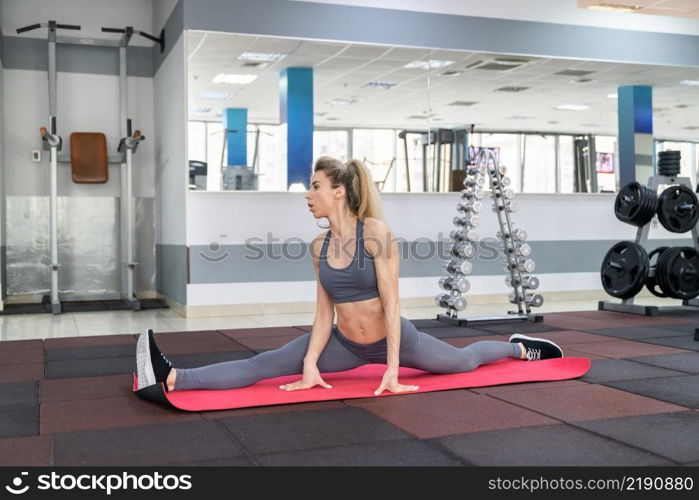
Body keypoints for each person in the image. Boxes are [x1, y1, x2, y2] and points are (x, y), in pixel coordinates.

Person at [136, 156, 563, 396]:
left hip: (397, 339)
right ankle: (172, 376)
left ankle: (517, 350)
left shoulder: (376, 234)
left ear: (338, 191)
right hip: (345, 345)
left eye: (316, 186)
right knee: (263, 364)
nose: (308, 194)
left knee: (462, 362)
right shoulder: (318, 247)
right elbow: (324, 314)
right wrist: (308, 366)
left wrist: (392, 370)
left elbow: (393, 306)